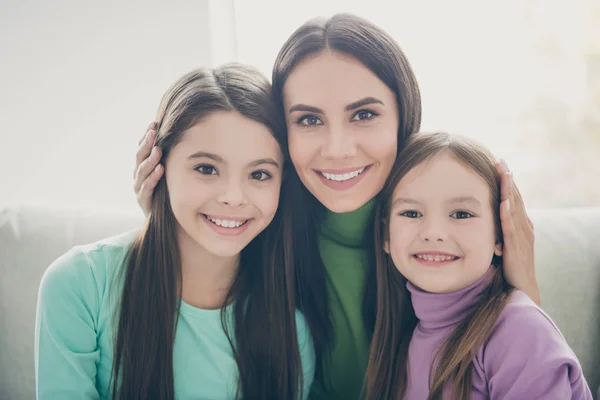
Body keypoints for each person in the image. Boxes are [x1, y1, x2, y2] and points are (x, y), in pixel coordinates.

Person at [133, 14, 539, 399]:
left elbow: (521, 362)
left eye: (363, 114)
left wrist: (520, 285)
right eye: (309, 120)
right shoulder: (261, 221)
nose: (338, 149)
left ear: (403, 115)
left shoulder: (445, 231)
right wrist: (168, 212)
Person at [35, 64, 315, 400]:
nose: (232, 196)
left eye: (259, 175)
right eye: (206, 168)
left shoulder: (290, 330)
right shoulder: (80, 283)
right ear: (156, 166)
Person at [365, 132, 592, 400]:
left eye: (461, 214)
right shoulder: (404, 337)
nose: (434, 232)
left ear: (499, 235)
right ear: (386, 236)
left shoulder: (520, 330)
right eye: (411, 213)